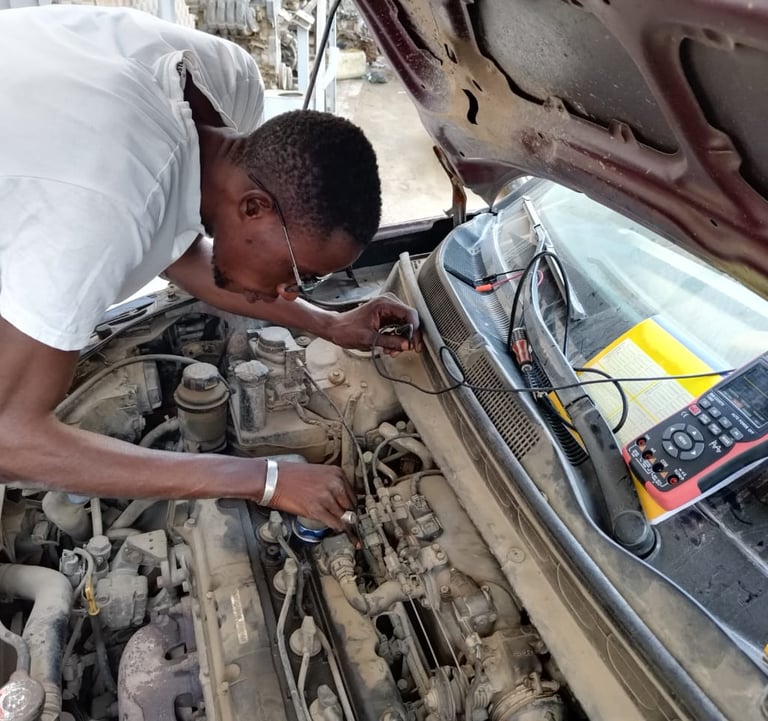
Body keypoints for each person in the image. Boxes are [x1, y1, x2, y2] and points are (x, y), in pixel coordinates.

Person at [0, 4, 421, 530]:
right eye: (300, 274)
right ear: (254, 208)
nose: (291, 292)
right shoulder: (106, 208)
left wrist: (329, 323)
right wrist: (265, 478)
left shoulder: (233, 87)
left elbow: (171, 246)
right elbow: (9, 440)